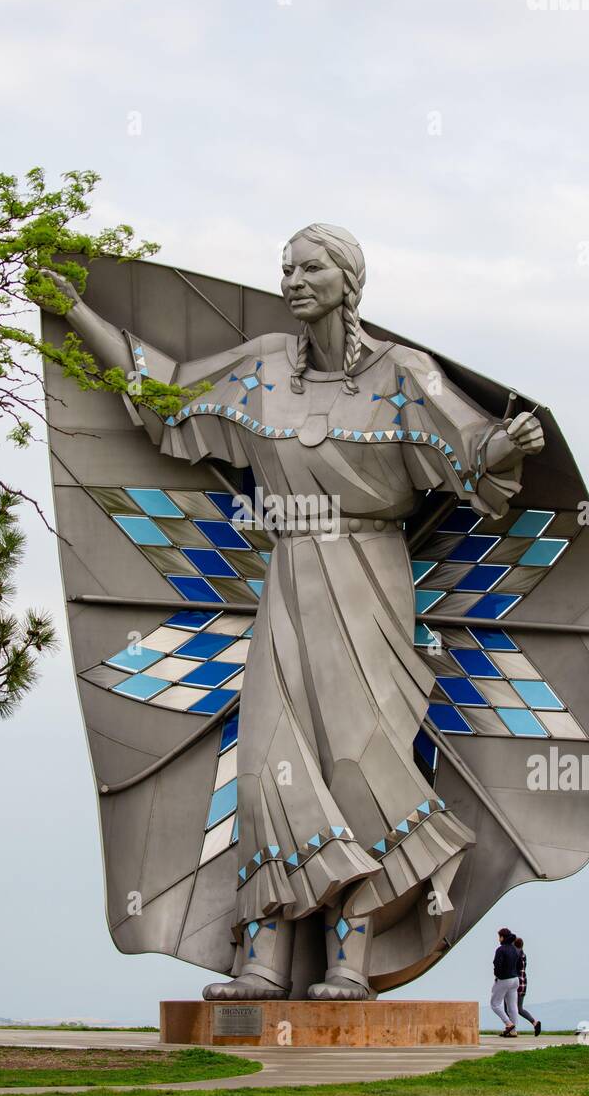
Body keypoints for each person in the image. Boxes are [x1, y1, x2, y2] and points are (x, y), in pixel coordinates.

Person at [40, 225, 543, 1002]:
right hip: (289, 572)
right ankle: (263, 958)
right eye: (286, 269)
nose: (294, 280)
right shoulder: (264, 366)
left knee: (358, 763)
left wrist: (507, 443)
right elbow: (164, 395)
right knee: (268, 764)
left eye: (310, 267)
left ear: (349, 281)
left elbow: (472, 454)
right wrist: (79, 315)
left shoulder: (403, 374)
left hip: (370, 574)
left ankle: (350, 958)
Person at [491, 927, 521, 1037]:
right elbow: (519, 965)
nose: (499, 939)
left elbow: (497, 964)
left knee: (495, 1004)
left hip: (504, 979)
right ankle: (513, 1031)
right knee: (513, 1006)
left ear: (502, 937)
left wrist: (497, 975)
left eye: (499, 937)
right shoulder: (514, 949)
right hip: (515, 979)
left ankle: (508, 1024)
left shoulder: (501, 949)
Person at [514, 936, 541, 1037]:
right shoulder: (523, 955)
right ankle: (534, 1022)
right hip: (524, 983)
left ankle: (512, 1028)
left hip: (516, 983)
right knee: (519, 1008)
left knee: (508, 1008)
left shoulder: (515, 955)